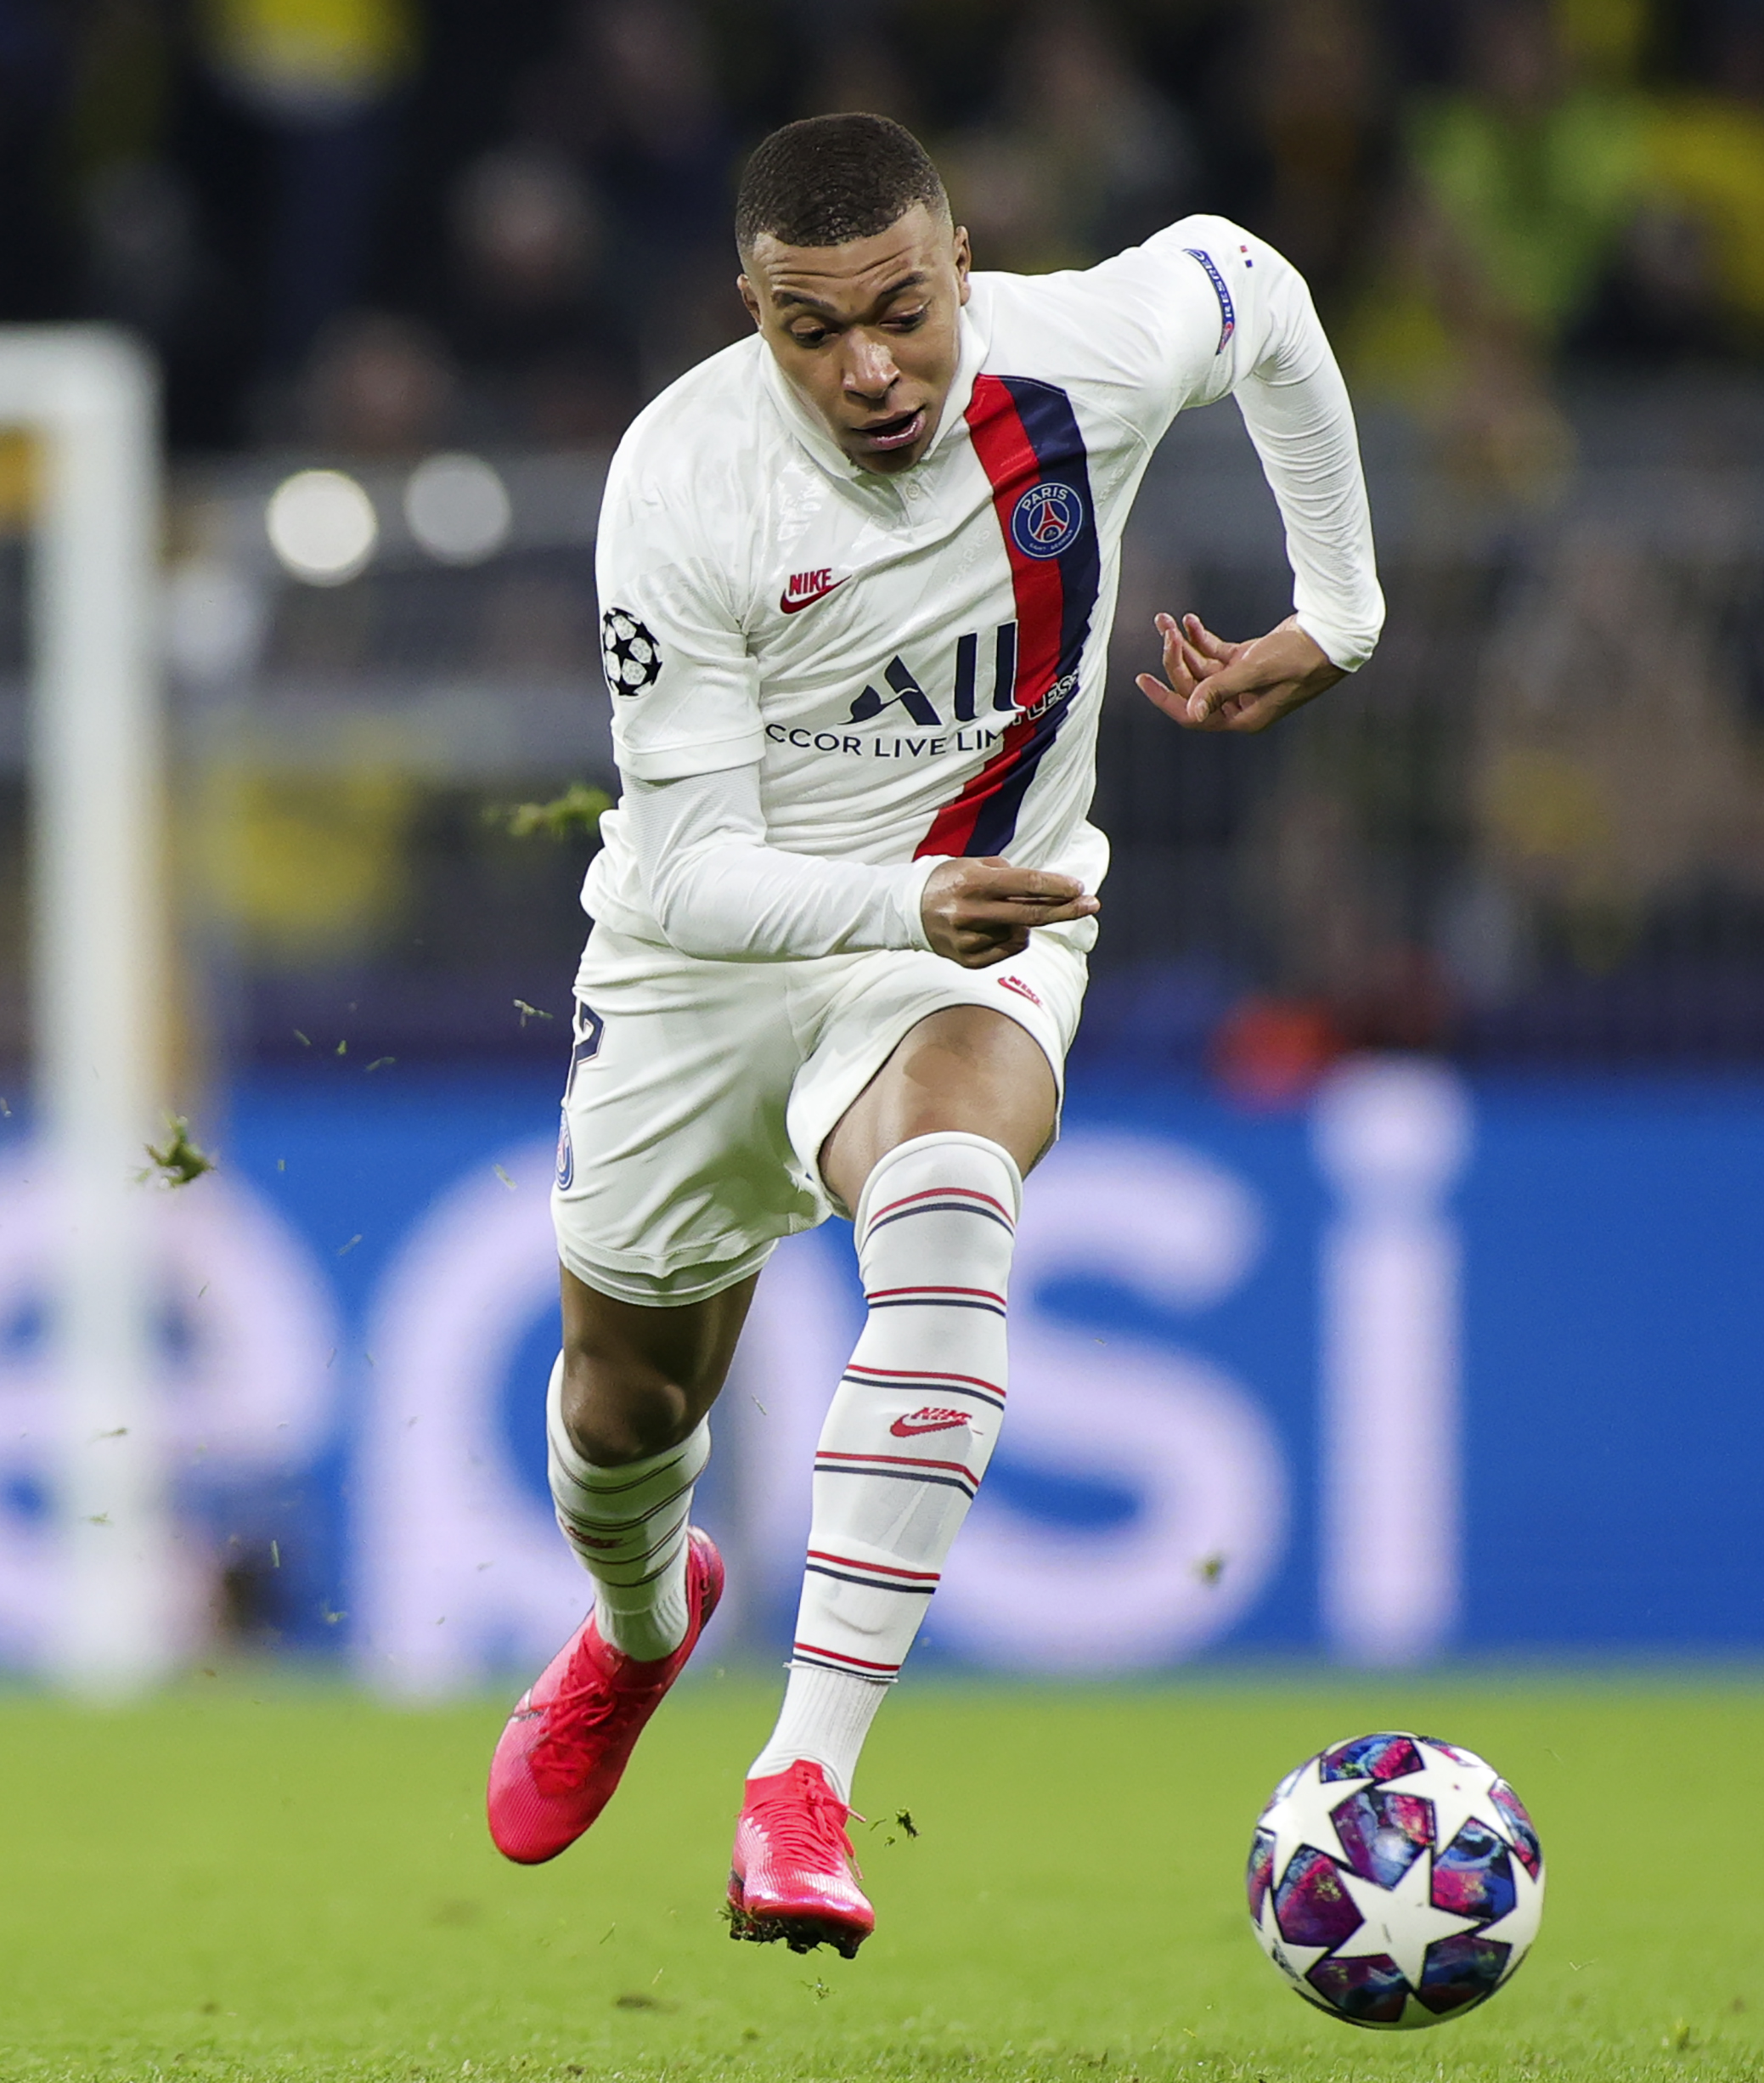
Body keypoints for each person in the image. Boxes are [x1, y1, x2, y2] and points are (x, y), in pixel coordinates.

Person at [483, 111, 1382, 1958]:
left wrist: (1341, 616)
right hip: (709, 958)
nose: (871, 365)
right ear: (753, 311)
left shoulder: (1083, 358)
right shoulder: (679, 482)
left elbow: (1264, 293)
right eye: (814, 330)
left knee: (954, 1189)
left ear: (963, 257)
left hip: (979, 922)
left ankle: (799, 1787)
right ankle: (642, 1631)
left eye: (904, 307)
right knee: (625, 1403)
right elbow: (698, 867)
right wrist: (896, 898)